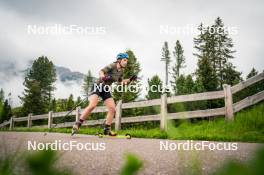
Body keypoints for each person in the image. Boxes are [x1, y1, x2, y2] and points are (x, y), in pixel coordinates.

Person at [72, 53, 137, 136]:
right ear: (119, 60)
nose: (126, 62)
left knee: (112, 109)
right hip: (98, 86)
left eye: (127, 61)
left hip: (105, 89)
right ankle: (77, 124)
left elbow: (121, 82)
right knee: (92, 105)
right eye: (124, 60)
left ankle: (107, 130)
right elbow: (101, 71)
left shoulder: (121, 71)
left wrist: (130, 80)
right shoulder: (112, 65)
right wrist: (103, 77)